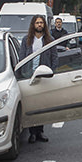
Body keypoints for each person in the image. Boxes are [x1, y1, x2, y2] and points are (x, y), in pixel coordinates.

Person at [18, 15, 58, 143]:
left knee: (41, 105)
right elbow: (22, 58)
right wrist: (24, 73)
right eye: (37, 23)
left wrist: (51, 71)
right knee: (31, 105)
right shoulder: (26, 40)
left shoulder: (49, 39)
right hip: (30, 76)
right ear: (33, 25)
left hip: (44, 75)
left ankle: (40, 131)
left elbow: (54, 57)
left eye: (41, 23)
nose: (39, 25)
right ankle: (32, 133)